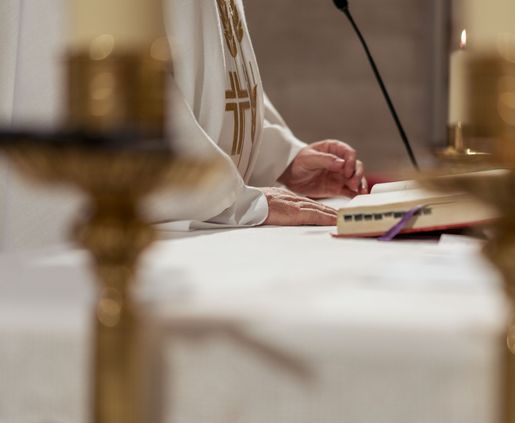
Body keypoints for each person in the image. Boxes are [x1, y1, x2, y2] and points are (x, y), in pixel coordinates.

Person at [0, 0, 367, 251]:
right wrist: (235, 201)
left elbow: (215, 53)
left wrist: (278, 155)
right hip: (102, 246)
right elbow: (110, 79)